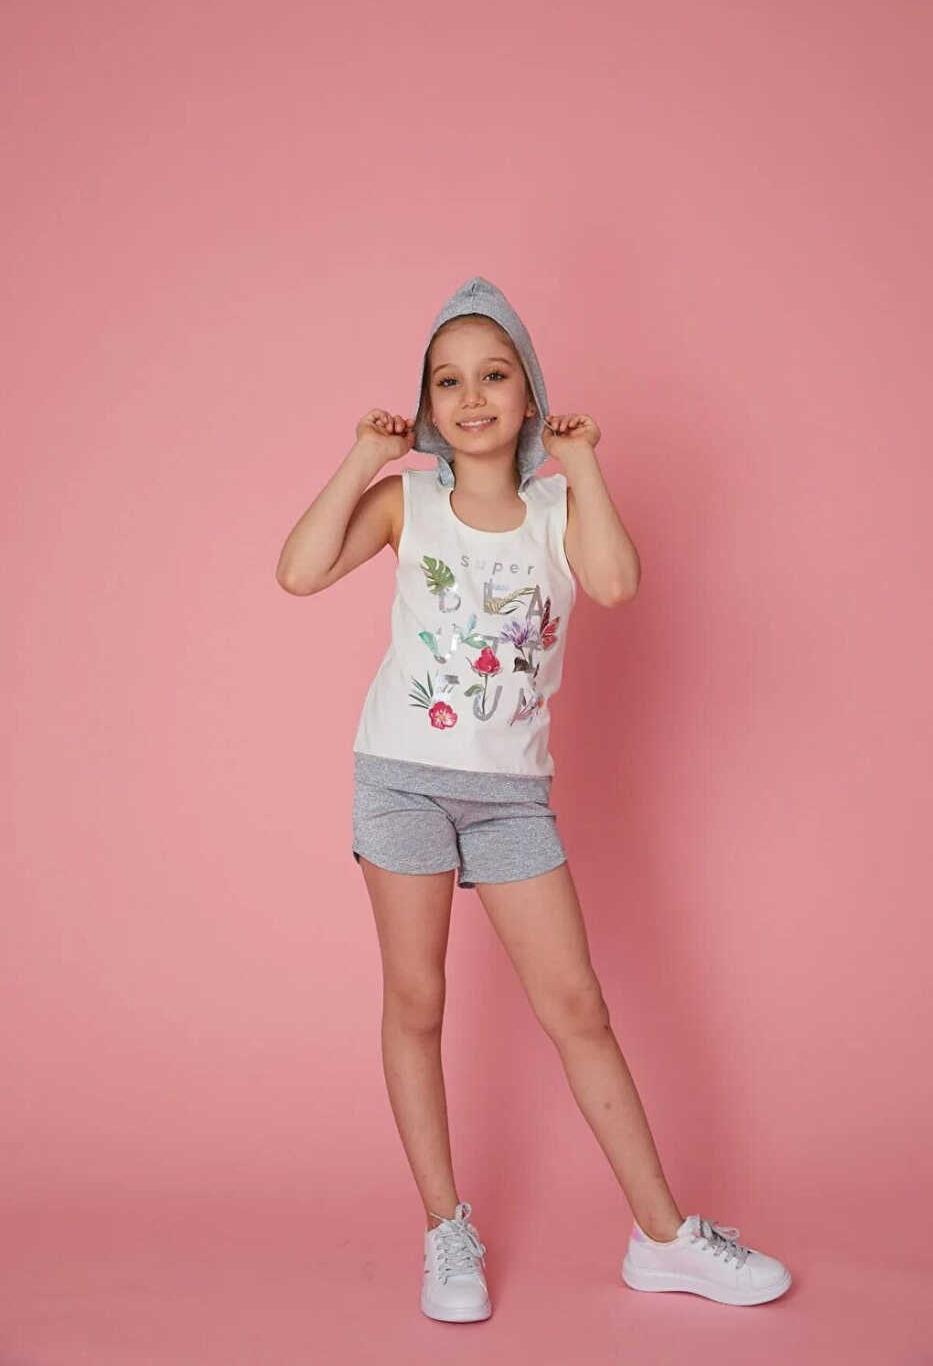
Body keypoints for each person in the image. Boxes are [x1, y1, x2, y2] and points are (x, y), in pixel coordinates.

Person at [276, 275, 792, 1321]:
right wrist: (362, 457)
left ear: (528, 392)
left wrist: (585, 463)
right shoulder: (407, 501)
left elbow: (614, 583)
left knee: (578, 1009)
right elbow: (297, 571)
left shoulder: (560, 505)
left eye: (493, 374)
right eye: (448, 379)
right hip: (404, 782)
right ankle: (445, 1231)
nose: (471, 396)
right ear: (426, 401)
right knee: (416, 1002)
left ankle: (663, 1238)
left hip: (512, 799)